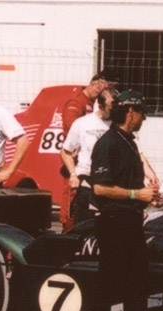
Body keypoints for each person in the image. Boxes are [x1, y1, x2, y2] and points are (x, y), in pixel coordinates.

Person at [85, 89, 163, 311]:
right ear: (130, 112)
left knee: (137, 283)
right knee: (108, 281)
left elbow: (133, 187)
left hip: (132, 220)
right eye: (142, 112)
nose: (144, 118)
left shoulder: (129, 142)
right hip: (113, 221)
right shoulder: (108, 143)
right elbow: (100, 188)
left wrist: (149, 196)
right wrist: (135, 195)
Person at [60, 87, 117, 225]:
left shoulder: (119, 125)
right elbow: (66, 151)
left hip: (112, 183)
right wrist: (73, 174)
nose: (115, 111)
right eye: (111, 107)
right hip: (87, 180)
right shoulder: (83, 123)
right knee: (83, 226)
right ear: (101, 105)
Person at [61, 70, 117, 137]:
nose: (101, 93)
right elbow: (74, 127)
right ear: (93, 84)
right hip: (77, 144)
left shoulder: (95, 102)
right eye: (99, 89)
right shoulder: (76, 102)